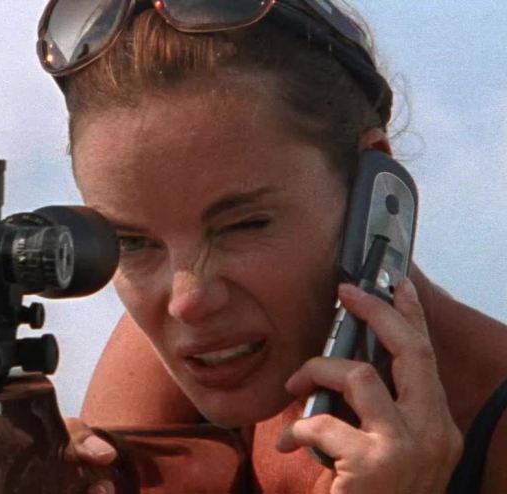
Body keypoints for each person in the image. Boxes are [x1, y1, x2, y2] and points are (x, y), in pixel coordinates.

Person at [36, 0, 507, 492]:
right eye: (132, 243)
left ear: (372, 186)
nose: (187, 302)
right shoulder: (201, 345)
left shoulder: (493, 423)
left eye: (244, 226)